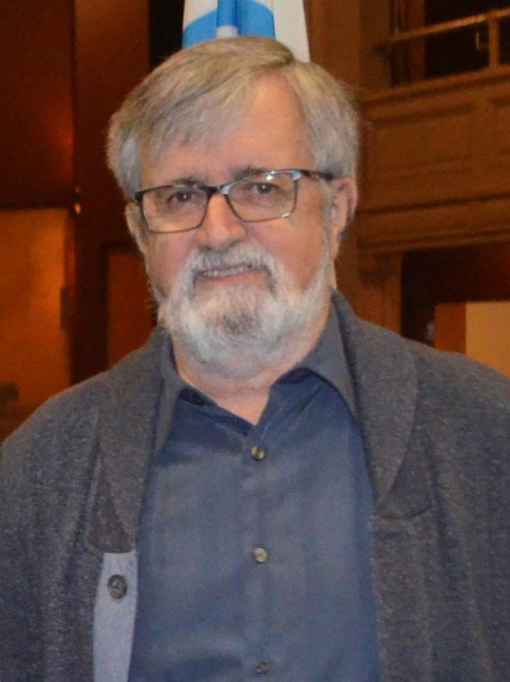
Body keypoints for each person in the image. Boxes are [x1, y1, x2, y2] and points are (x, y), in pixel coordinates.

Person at [1, 36, 510, 682]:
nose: (218, 232)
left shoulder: (485, 432)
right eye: (180, 197)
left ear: (337, 209)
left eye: (262, 187)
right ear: (139, 233)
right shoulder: (40, 469)